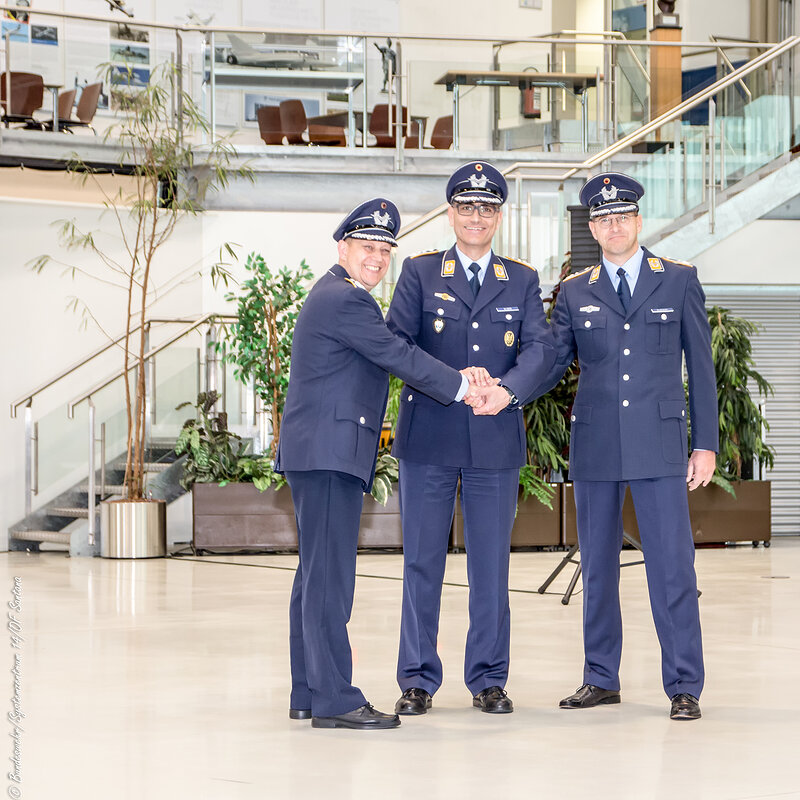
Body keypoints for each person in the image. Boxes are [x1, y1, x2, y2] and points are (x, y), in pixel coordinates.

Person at [274, 197, 496, 730]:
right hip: (329, 454)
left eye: (383, 250)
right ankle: (334, 698)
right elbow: (399, 356)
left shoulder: (335, 295)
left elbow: (392, 351)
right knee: (330, 581)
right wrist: (465, 384)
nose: (376, 258)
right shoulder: (346, 301)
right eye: (366, 247)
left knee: (314, 576)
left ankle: (307, 689)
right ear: (341, 247)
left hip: (319, 452)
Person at [534, 172, 718, 721]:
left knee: (672, 566)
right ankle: (600, 676)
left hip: (661, 446)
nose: (614, 226)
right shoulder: (575, 289)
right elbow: (550, 362)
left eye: (623, 217)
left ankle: (684, 683)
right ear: (592, 227)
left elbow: (701, 369)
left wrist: (704, 444)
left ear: (638, 221)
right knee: (597, 565)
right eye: (604, 219)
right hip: (596, 446)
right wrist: (505, 391)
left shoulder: (679, 280)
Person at [386, 161, 555, 715]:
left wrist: (506, 390)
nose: (476, 217)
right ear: (451, 213)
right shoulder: (419, 272)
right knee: (422, 562)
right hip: (429, 435)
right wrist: (456, 385)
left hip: (494, 438)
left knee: (491, 565)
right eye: (466, 207)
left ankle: (488, 678)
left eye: (486, 208)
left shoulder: (523, 279)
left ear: (498, 216)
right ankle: (416, 678)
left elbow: (541, 351)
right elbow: (396, 346)